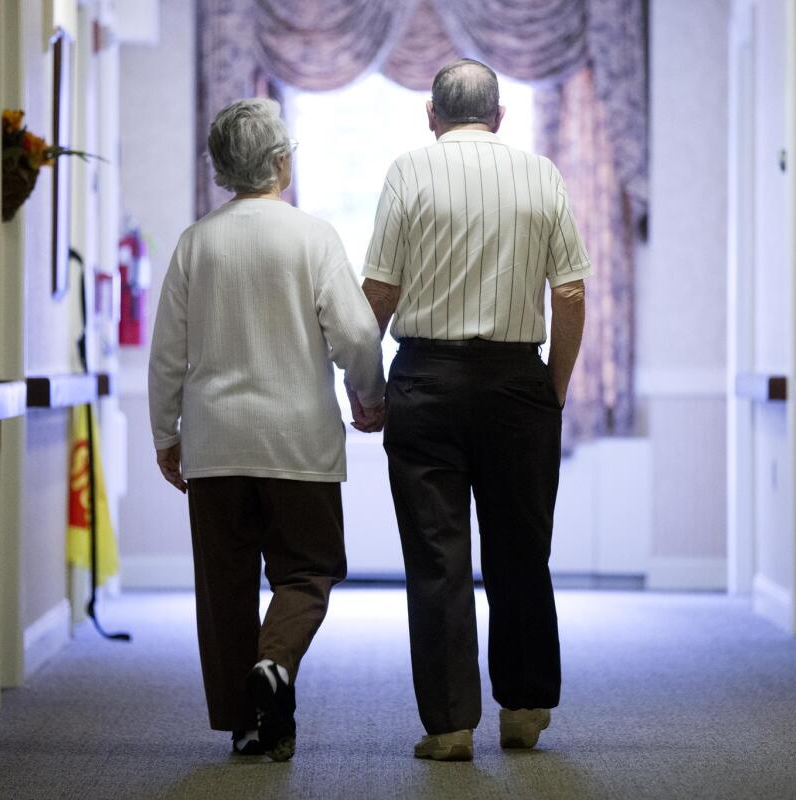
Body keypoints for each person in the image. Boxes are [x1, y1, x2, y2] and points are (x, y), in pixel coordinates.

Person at [358, 59, 590, 761]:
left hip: (426, 378)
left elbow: (377, 293)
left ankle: (451, 725)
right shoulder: (541, 173)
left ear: (431, 115)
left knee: (437, 557)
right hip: (518, 381)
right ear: (500, 116)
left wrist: (368, 389)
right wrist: (552, 386)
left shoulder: (409, 171)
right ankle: (523, 710)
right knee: (522, 551)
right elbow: (572, 295)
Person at [148, 98, 385, 762]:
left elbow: (168, 351)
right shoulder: (312, 237)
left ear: (223, 168)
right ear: (281, 161)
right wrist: (368, 397)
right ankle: (276, 663)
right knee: (309, 571)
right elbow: (358, 334)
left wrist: (166, 433)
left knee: (224, 588)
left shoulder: (196, 242)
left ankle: (248, 724)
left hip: (216, 443)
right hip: (297, 443)